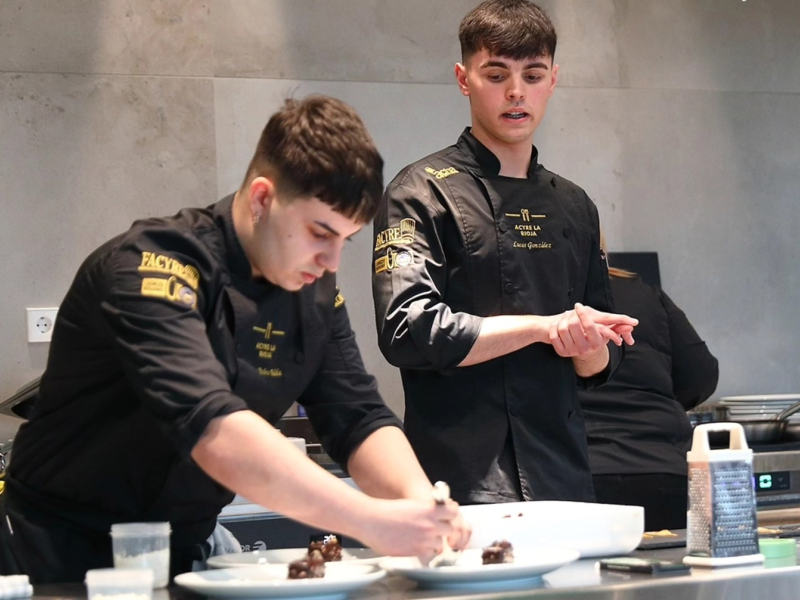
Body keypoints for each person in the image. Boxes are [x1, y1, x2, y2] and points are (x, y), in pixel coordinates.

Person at [0, 95, 469, 583]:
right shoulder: (151, 265)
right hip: (54, 548)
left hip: (183, 549)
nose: (331, 262)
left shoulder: (313, 292)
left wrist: (423, 506)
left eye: (344, 241)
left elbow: (358, 415)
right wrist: (370, 520)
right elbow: (212, 430)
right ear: (264, 198)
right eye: (319, 233)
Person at [371, 0, 638, 506]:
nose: (516, 92)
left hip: (564, 484)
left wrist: (587, 343)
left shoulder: (575, 204)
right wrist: (542, 327)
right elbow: (407, 330)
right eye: (497, 74)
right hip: (459, 485)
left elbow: (602, 366)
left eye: (532, 75)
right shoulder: (421, 191)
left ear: (553, 80)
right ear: (463, 78)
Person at [578, 252, 719, 530]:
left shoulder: (531, 303)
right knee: (675, 568)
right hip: (663, 472)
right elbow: (700, 375)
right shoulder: (644, 293)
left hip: (576, 479)